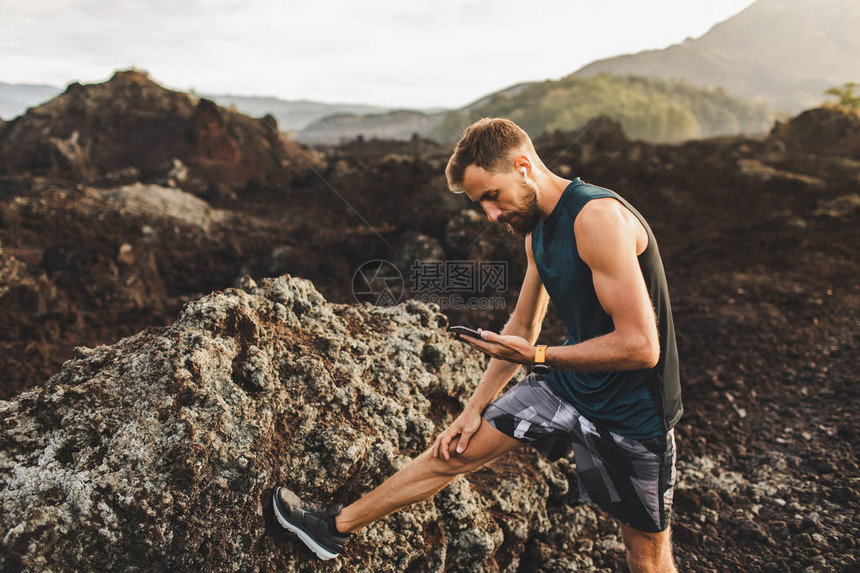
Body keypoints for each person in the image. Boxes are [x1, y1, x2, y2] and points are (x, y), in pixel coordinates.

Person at [273, 118, 683, 573]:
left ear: (523, 166)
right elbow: (522, 328)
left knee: (643, 554)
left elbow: (642, 346)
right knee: (454, 450)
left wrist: (540, 358)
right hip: (571, 385)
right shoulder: (538, 232)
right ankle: (332, 529)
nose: (490, 214)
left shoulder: (597, 218)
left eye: (491, 195)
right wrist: (472, 410)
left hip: (634, 411)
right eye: (480, 204)